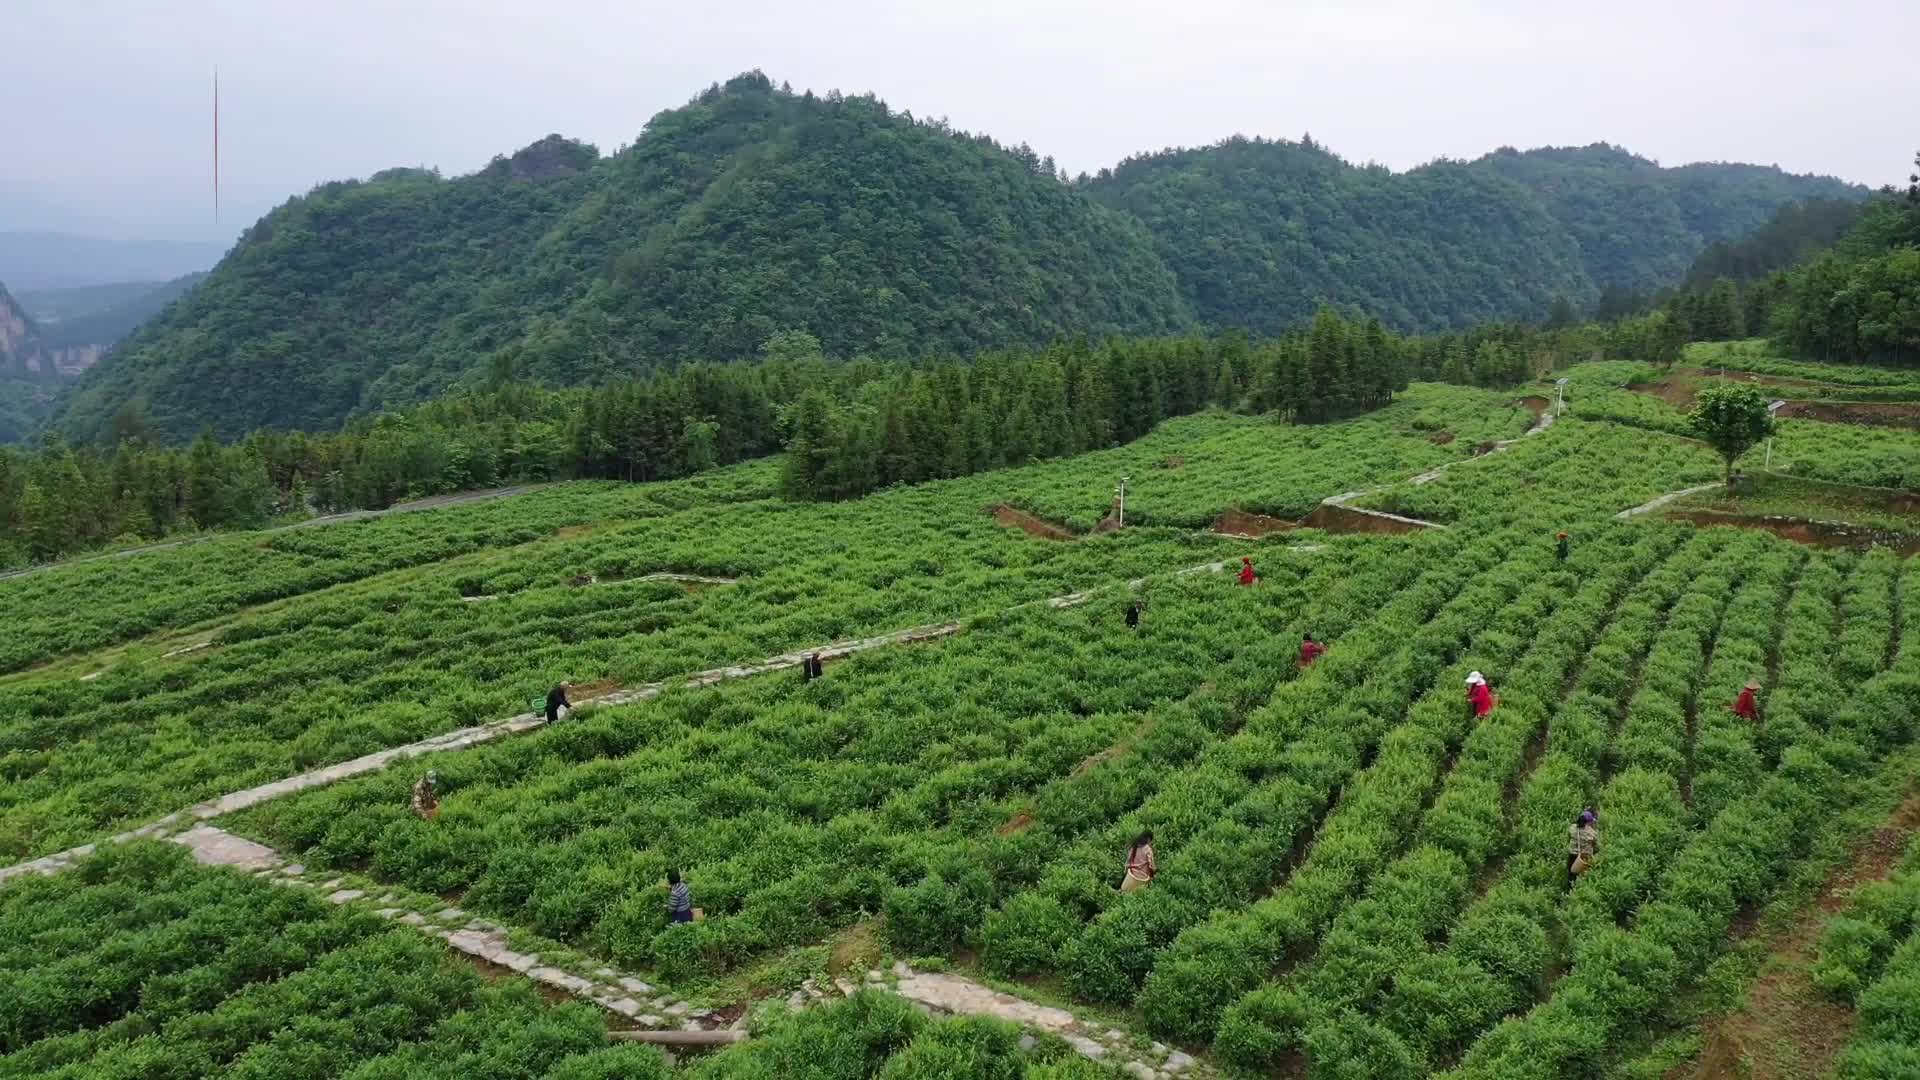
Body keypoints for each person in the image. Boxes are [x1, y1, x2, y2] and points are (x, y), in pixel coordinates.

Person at [1567, 809, 1600, 881]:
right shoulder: (1592, 833)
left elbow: (1569, 837)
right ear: (1588, 822)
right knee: (1583, 875)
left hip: (1572, 854)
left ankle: (1570, 889)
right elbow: (1596, 846)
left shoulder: (1572, 827)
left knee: (1571, 873)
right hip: (1584, 857)